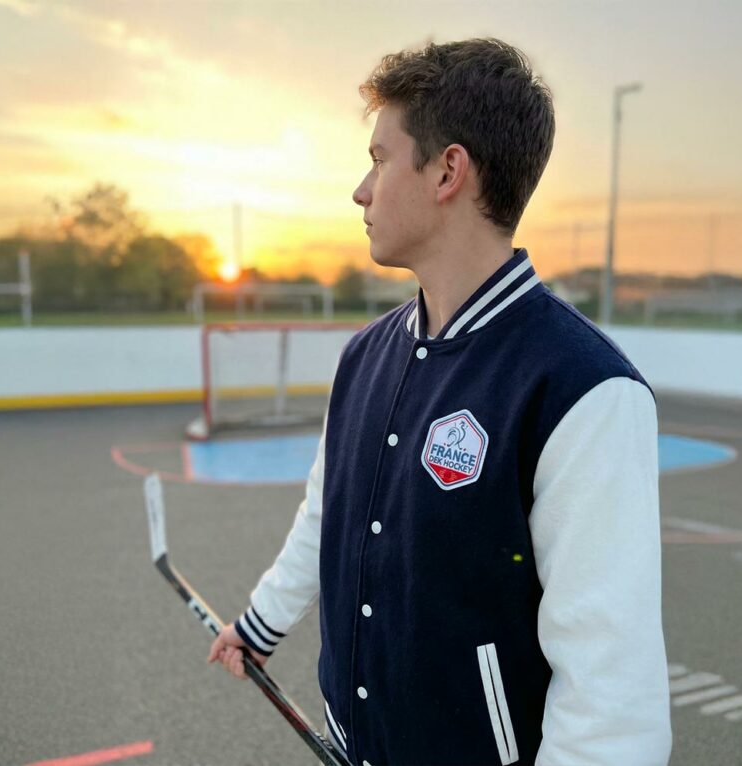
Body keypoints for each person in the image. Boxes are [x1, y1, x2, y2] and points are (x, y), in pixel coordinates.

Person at [209, 37, 672, 766]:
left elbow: (611, 703)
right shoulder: (363, 357)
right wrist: (259, 624)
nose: (361, 190)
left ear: (448, 171)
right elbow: (327, 514)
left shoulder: (585, 390)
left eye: (379, 159)